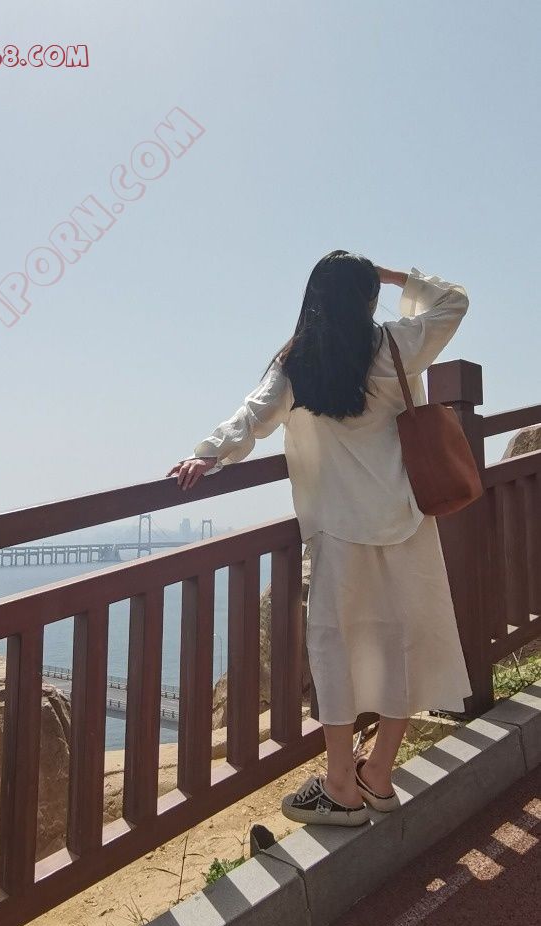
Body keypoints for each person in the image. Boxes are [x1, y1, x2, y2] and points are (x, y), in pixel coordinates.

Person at [166, 250, 473, 827]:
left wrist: (207, 455)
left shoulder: (298, 362)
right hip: (406, 517)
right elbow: (454, 301)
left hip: (337, 529)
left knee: (336, 648)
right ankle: (378, 773)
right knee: (405, 643)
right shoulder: (395, 344)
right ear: (367, 298)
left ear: (312, 299)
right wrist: (391, 275)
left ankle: (340, 785)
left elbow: (254, 414)